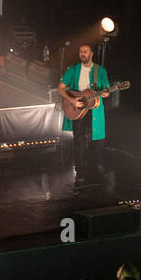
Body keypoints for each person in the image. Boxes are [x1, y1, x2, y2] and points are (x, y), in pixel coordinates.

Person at [57, 44, 111, 183]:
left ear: (91, 54)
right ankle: (80, 171)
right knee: (79, 140)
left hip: (95, 110)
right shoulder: (73, 69)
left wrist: (105, 93)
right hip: (78, 107)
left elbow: (105, 88)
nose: (82, 54)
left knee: (98, 139)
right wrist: (72, 100)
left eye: (85, 52)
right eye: (81, 51)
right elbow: (61, 88)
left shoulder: (100, 70)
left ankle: (97, 168)